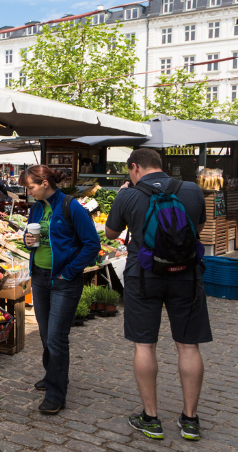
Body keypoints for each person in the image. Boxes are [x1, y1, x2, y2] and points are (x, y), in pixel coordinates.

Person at [104, 148, 210, 441]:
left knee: (145, 346)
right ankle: (190, 420)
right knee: (189, 347)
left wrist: (125, 195)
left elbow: (111, 233)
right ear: (160, 165)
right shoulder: (192, 190)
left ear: (135, 167)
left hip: (144, 276)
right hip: (186, 276)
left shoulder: (129, 194)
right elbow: (196, 229)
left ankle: (151, 418)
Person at [20, 165, 99, 415]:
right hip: (41, 279)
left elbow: (91, 245)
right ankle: (53, 375)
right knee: (45, 333)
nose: (28, 191)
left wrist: (69, 271)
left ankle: (56, 393)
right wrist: (27, 241)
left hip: (64, 281)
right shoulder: (37, 207)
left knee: (56, 337)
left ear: (44, 183)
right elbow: (34, 238)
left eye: (31, 186)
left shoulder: (70, 206)